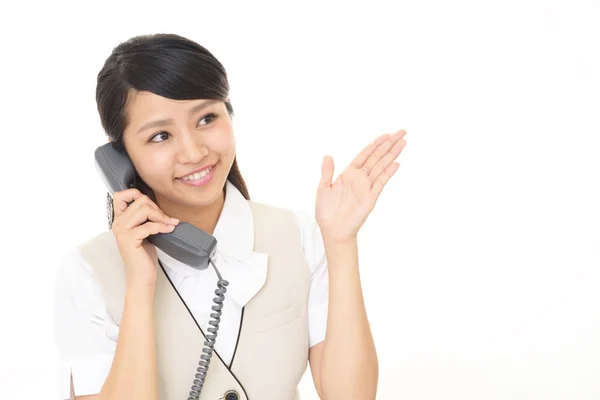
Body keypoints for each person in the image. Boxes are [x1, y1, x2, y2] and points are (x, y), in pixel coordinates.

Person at [53, 33, 407, 400]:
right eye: (160, 136)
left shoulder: (297, 236)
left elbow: (352, 396)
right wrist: (140, 287)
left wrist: (340, 243)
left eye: (207, 118)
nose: (193, 152)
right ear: (121, 158)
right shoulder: (88, 272)